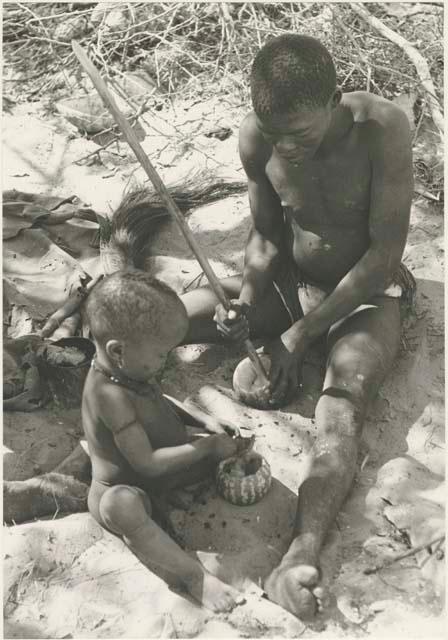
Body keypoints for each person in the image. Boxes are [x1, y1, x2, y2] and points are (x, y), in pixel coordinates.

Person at [180, 34, 415, 618]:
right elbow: (264, 239)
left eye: (301, 134)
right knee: (191, 311)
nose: (287, 146)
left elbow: (383, 257)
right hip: (291, 283)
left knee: (343, 401)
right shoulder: (258, 138)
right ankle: (73, 344)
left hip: (365, 296)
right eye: (275, 132)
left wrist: (299, 335)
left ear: (336, 100)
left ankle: (300, 552)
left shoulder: (382, 131)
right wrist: (251, 303)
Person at [82, 269, 245, 612]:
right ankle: (192, 576)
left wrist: (202, 420)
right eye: (160, 354)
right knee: (120, 506)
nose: (164, 360)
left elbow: (159, 399)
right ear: (119, 351)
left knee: (227, 450)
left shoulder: (127, 371)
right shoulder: (108, 394)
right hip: (131, 485)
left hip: (159, 473)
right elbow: (146, 463)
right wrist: (204, 446)